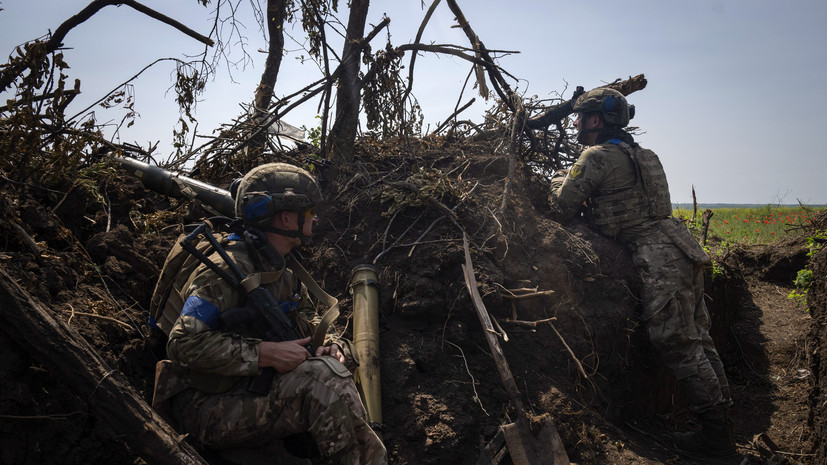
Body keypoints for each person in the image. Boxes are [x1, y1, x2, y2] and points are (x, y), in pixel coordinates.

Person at [153, 163, 387, 465]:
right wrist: (265, 353)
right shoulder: (227, 268)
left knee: (336, 362)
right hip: (204, 407)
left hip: (247, 391)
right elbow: (183, 343)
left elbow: (309, 322)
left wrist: (332, 345)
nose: (315, 218)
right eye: (310, 211)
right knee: (323, 379)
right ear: (288, 216)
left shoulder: (282, 270)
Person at [544, 88, 735, 457]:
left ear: (596, 120)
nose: (576, 123)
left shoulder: (596, 156)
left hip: (660, 259)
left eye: (581, 116)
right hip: (682, 248)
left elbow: (561, 205)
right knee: (699, 340)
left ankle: (717, 443)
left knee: (677, 342)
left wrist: (556, 179)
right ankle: (722, 428)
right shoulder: (644, 154)